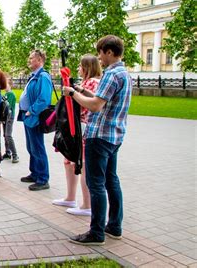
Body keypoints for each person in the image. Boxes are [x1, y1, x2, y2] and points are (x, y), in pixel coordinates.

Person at [63, 35, 132, 246]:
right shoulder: (124, 73)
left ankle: (96, 232)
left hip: (99, 136)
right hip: (115, 136)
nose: (99, 58)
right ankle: (114, 226)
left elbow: (95, 106)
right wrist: (84, 91)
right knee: (112, 180)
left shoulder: (111, 74)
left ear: (109, 52)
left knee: (96, 184)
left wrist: (73, 93)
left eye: (101, 53)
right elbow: (102, 98)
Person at [52, 54, 102, 216]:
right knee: (70, 162)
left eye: (81, 66)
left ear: (87, 67)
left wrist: (73, 94)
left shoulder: (93, 83)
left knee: (83, 165)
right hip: (77, 129)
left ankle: (87, 205)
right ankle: (71, 197)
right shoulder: (86, 83)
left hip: (84, 128)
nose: (79, 69)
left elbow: (87, 104)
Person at [18, 49, 53, 191]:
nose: (29, 60)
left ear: (39, 60)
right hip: (29, 117)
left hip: (35, 117)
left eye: (31, 58)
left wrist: (31, 111)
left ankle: (43, 179)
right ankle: (34, 173)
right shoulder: (34, 76)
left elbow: (44, 99)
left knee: (37, 147)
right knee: (31, 146)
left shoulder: (43, 77)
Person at [2, 77, 19, 163]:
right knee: (5, 135)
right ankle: (7, 152)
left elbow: (10, 107)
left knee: (8, 135)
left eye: (6, 84)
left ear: (10, 85)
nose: (4, 86)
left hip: (9, 117)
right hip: (5, 117)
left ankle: (15, 154)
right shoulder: (5, 94)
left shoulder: (11, 94)